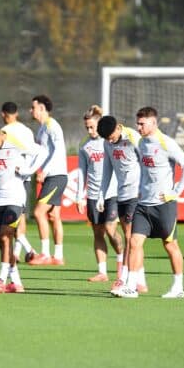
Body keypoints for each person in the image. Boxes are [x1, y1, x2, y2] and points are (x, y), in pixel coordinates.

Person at [113, 107, 184, 298]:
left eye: (142, 123)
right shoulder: (141, 143)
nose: (138, 127)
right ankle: (131, 287)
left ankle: (178, 287)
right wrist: (141, 190)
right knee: (134, 242)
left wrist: (175, 193)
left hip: (163, 205)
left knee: (170, 245)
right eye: (137, 123)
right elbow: (144, 170)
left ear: (153, 123)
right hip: (143, 205)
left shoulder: (166, 143)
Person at [0, 124, 46, 293]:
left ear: (1, 136)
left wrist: (27, 170)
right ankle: (15, 281)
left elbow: (42, 152)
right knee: (2, 240)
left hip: (15, 197)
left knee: (5, 234)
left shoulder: (15, 141)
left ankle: (1, 279)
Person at [96, 115, 147, 292]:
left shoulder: (133, 137)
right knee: (132, 239)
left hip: (136, 193)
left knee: (130, 237)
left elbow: (145, 163)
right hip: (121, 194)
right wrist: (101, 195)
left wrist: (143, 188)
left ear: (118, 128)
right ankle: (141, 281)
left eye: (111, 136)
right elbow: (107, 169)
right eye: (107, 138)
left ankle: (124, 278)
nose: (110, 140)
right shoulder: (107, 143)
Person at [76, 106, 123, 283]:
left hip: (111, 193)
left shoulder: (110, 142)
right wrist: (80, 196)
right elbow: (82, 171)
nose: (90, 130)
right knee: (98, 233)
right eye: (87, 127)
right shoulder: (84, 145)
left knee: (111, 230)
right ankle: (102, 272)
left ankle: (121, 265)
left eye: (92, 127)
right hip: (93, 195)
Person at [28, 95, 68, 266]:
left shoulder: (52, 126)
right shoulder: (41, 129)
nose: (31, 111)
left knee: (38, 212)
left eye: (33, 107)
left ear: (42, 108)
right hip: (52, 176)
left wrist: (44, 171)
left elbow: (58, 151)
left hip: (56, 176)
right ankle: (58, 256)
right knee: (53, 215)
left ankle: (44, 254)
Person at [0, 101, 38, 262]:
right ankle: (17, 252)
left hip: (11, 178)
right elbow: (33, 153)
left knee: (9, 218)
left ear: (3, 114)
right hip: (26, 177)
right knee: (20, 215)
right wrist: (27, 171)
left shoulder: (4, 131)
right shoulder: (27, 131)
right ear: (16, 113)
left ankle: (28, 249)